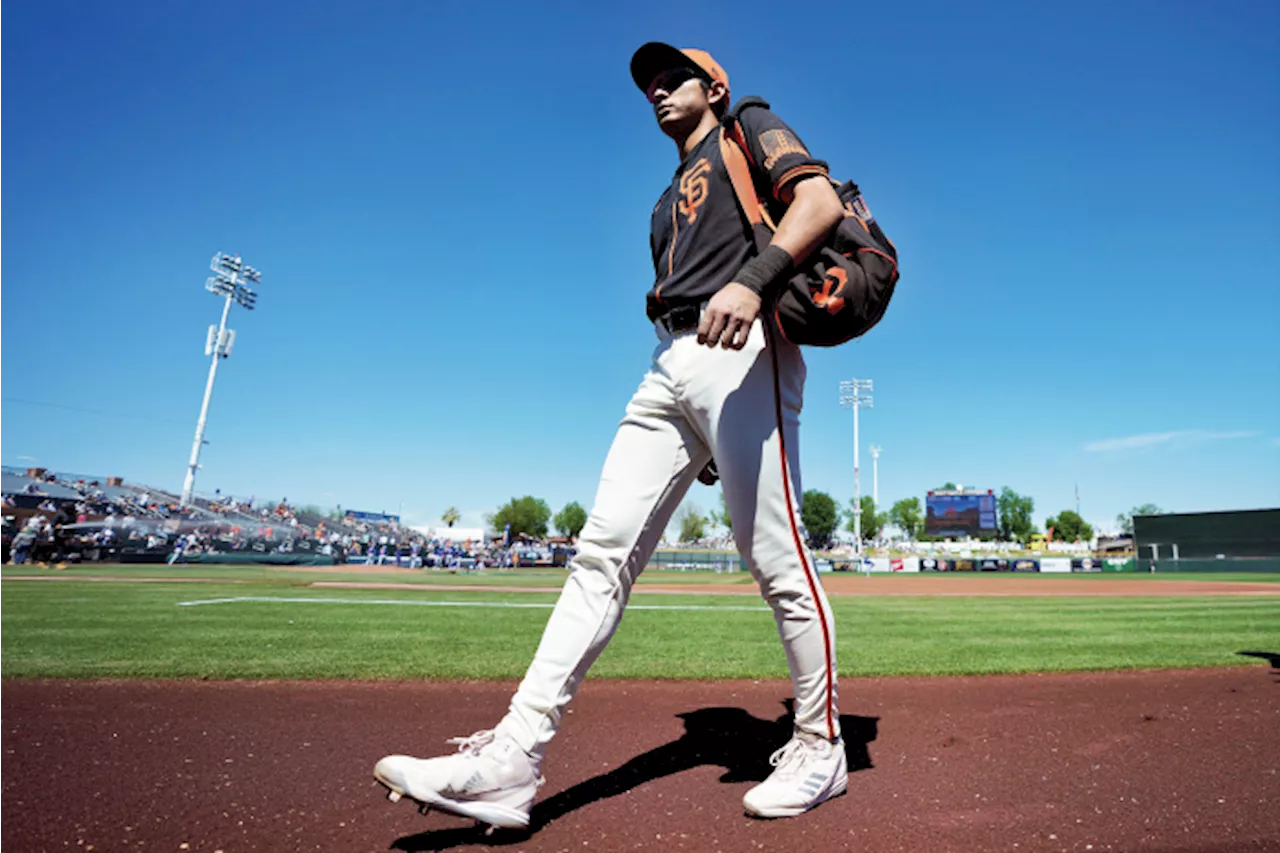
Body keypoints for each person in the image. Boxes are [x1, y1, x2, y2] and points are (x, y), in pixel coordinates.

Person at [375, 43, 848, 830]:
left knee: (776, 556)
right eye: (650, 84)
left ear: (714, 86)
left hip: (743, 345)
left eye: (675, 77)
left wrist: (754, 279)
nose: (658, 89)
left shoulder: (748, 125)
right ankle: (511, 761)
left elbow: (819, 203)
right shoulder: (665, 198)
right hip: (669, 363)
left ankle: (820, 743)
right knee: (599, 554)